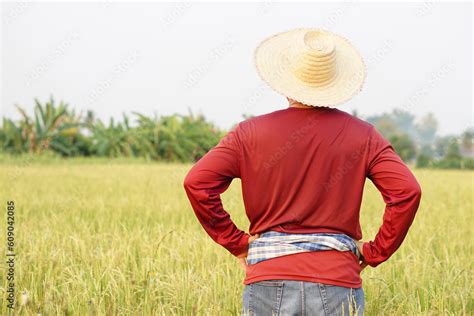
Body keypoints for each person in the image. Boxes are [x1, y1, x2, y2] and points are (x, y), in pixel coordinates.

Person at [183, 28, 422, 315]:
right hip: (338, 279)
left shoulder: (249, 133)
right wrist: (375, 252)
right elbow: (407, 191)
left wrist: (238, 242)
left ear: (285, 83)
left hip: (268, 279)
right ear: (335, 84)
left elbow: (197, 183)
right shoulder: (364, 136)